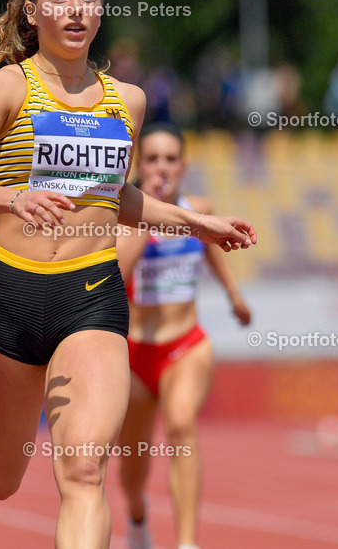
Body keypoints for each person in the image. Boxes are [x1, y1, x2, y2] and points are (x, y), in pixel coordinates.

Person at [0, 0, 256, 548]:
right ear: (34, 11)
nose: (75, 11)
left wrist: (192, 223)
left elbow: (117, 198)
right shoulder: (5, 88)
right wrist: (13, 200)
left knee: (83, 469)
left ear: (102, 11)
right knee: (0, 479)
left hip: (92, 298)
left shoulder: (125, 101)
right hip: (11, 295)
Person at [115, 123, 251, 549]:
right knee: (133, 457)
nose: (161, 168)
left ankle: (188, 542)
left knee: (180, 425)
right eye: (152, 159)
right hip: (134, 352)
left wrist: (234, 295)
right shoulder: (125, 216)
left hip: (184, 345)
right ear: (139, 165)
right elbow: (116, 275)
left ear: (183, 164)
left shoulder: (200, 207)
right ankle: (137, 516)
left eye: (170, 159)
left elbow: (211, 246)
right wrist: (146, 213)